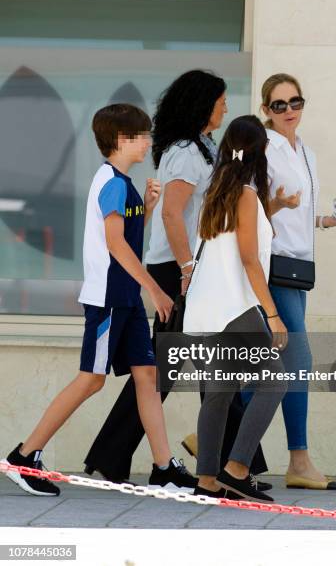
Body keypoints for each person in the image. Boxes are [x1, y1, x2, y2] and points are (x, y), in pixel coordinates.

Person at [84, 70, 270, 487]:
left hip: (192, 269)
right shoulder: (185, 151)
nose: (226, 107)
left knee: (201, 365)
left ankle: (229, 464)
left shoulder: (203, 146)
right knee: (165, 367)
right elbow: (171, 213)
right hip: (176, 270)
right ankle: (223, 464)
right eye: (221, 100)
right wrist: (188, 268)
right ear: (203, 104)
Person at [1, 104, 196, 496]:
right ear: (123, 140)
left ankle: (164, 468)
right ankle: (24, 456)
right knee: (91, 379)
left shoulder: (122, 183)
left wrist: (149, 207)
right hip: (109, 299)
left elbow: (122, 237)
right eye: (143, 135)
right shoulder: (112, 182)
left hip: (125, 300)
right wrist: (154, 289)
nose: (148, 141)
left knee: (147, 376)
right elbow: (114, 243)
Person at [261, 73, 336, 490]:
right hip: (272, 265)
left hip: (299, 269)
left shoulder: (306, 152)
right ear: (266, 110)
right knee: (298, 360)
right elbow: (248, 207)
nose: (289, 111)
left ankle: (217, 437)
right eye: (279, 105)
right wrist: (279, 204)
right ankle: (299, 461)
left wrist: (332, 220)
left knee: (277, 364)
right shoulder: (260, 148)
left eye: (295, 102)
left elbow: (303, 215)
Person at [183, 115, 289, 502]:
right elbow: (249, 259)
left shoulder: (216, 192)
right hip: (233, 309)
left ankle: (207, 480)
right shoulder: (244, 193)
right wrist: (272, 314)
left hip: (202, 310)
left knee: (219, 393)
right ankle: (237, 469)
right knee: (275, 380)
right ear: (260, 153)